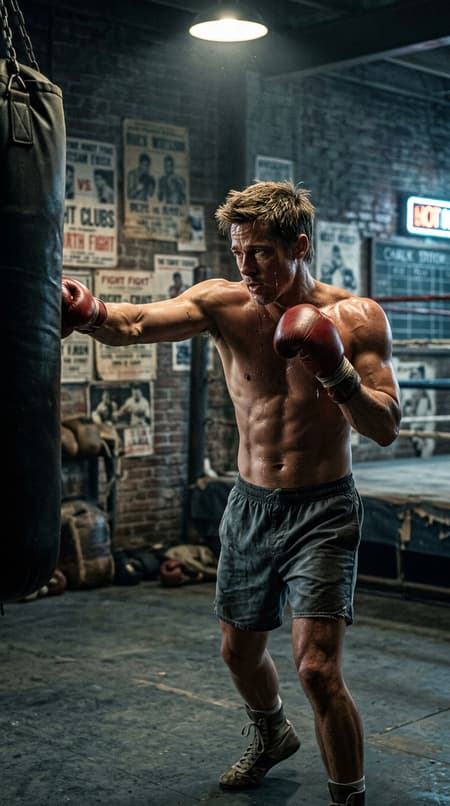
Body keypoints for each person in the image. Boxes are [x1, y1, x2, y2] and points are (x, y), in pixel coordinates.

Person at [60, 181, 401, 806]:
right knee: (239, 653)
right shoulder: (224, 304)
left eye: (262, 254)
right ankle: (272, 732)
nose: (247, 269)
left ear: (299, 246)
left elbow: (385, 426)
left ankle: (348, 797)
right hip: (249, 506)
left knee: (317, 669)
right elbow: (134, 322)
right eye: (239, 253)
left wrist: (339, 375)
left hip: (323, 509)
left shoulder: (355, 318)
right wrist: (87, 315)